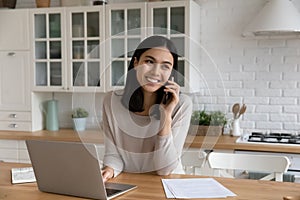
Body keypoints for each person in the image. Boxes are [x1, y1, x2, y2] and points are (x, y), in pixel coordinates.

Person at [101, 35, 193, 182]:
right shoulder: (111, 101)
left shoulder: (182, 104)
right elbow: (113, 155)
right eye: (149, 61)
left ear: (171, 73)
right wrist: (110, 169)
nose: (156, 72)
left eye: (165, 66)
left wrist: (166, 116)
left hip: (169, 184)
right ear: (136, 63)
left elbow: (164, 169)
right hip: (130, 183)